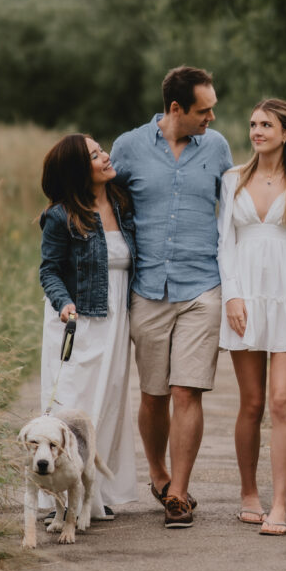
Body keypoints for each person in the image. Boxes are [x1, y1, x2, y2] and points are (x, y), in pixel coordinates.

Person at [110, 66, 233, 528]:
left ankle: (179, 492)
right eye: (205, 109)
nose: (212, 117)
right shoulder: (128, 147)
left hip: (203, 285)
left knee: (187, 389)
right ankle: (158, 474)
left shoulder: (217, 147)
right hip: (148, 287)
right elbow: (105, 200)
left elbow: (235, 211)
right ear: (176, 109)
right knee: (154, 394)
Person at [218, 98, 286, 536]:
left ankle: (280, 505)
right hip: (245, 299)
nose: (256, 131)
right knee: (252, 402)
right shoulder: (233, 180)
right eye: (252, 124)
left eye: (266, 124)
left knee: (282, 401)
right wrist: (232, 297)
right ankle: (250, 493)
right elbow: (224, 245)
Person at [39, 133, 138, 520]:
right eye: (95, 155)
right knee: (71, 409)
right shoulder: (61, 215)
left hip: (116, 320)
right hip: (77, 322)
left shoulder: (121, 203)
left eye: (102, 149)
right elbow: (48, 270)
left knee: (109, 404)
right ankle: (59, 499)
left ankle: (96, 494)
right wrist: (63, 303)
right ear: (81, 170)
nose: (106, 156)